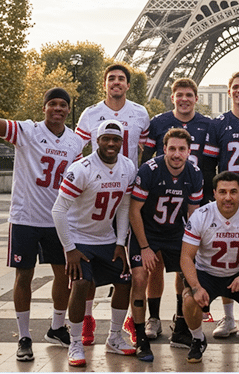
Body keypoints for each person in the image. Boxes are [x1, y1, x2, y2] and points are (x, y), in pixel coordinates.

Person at [0, 76, 84, 361]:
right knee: (24, 275)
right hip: (25, 217)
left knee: (64, 275)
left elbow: (78, 181)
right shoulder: (27, 130)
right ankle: (24, 336)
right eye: (52, 104)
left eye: (62, 104)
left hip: (58, 220)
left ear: (68, 110)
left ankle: (56, 327)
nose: (57, 108)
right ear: (44, 107)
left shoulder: (76, 141)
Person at [75, 63, 150, 346]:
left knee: (130, 264)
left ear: (128, 85)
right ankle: (87, 318)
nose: (116, 82)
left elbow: (148, 150)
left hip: (128, 191)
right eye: (111, 78)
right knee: (91, 261)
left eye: (121, 78)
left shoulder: (140, 113)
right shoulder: (90, 113)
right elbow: (76, 149)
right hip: (97, 193)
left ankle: (130, 318)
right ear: (105, 83)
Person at [51, 120, 137, 367]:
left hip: (106, 238)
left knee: (125, 280)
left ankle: (114, 337)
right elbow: (58, 210)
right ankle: (76, 342)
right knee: (80, 283)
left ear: (122, 142)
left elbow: (124, 206)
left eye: (116, 139)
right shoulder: (81, 168)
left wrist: (120, 242)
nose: (111, 143)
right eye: (106, 139)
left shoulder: (127, 166)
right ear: (96, 141)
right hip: (79, 237)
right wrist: (70, 249)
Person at [139, 77, 211, 346]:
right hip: (157, 204)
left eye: (189, 95)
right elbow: (146, 160)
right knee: (154, 266)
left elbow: (210, 162)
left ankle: (181, 318)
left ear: (196, 98)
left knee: (184, 265)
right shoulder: (158, 123)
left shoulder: (207, 125)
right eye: (179, 94)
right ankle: (153, 317)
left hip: (186, 201)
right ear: (173, 97)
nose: (184, 99)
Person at [180, 171, 239, 363]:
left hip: (238, 273)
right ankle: (197, 339)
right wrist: (196, 287)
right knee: (189, 298)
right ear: (214, 193)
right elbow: (186, 257)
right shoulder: (201, 215)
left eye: (233, 192)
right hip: (207, 273)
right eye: (222, 192)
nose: (228, 197)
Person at [128, 128, 203, 360]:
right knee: (140, 278)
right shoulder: (149, 169)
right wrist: (144, 247)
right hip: (147, 231)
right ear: (164, 149)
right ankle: (141, 336)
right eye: (172, 149)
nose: (176, 154)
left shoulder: (194, 173)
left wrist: (192, 249)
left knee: (188, 275)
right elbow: (134, 210)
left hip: (175, 231)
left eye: (182, 149)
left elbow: (193, 215)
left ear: (189, 151)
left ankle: (181, 326)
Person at [201, 72, 239, 339]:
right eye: (235, 87)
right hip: (226, 197)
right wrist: (210, 196)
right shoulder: (218, 124)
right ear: (229, 92)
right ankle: (228, 317)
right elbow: (208, 164)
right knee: (226, 255)